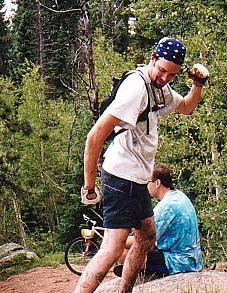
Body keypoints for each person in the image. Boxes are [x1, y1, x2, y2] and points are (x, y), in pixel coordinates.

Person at [76, 36, 209, 293]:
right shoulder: (135, 89)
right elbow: (95, 136)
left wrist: (197, 85)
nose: (165, 77)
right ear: (152, 58)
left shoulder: (160, 88)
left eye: (172, 74)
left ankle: (125, 290)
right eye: (162, 70)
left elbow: (186, 108)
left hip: (137, 180)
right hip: (120, 177)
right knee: (112, 248)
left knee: (147, 236)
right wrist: (89, 187)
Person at [116, 164, 202, 277]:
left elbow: (144, 239)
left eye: (147, 183)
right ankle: (139, 269)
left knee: (120, 251)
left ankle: (142, 270)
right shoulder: (179, 196)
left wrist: (117, 241)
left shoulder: (167, 206)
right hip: (190, 259)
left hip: (178, 262)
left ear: (157, 183)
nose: (145, 187)